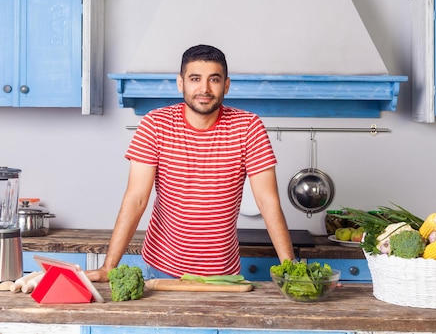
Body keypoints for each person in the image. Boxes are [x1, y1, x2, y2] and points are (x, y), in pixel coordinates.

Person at [86, 44, 295, 281]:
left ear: (226, 85)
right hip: (162, 268)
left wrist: (292, 269)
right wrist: (108, 267)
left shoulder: (249, 127)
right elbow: (136, 198)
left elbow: (267, 201)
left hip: (223, 274)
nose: (204, 89)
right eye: (195, 78)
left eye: (214, 79)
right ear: (181, 83)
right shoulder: (155, 125)